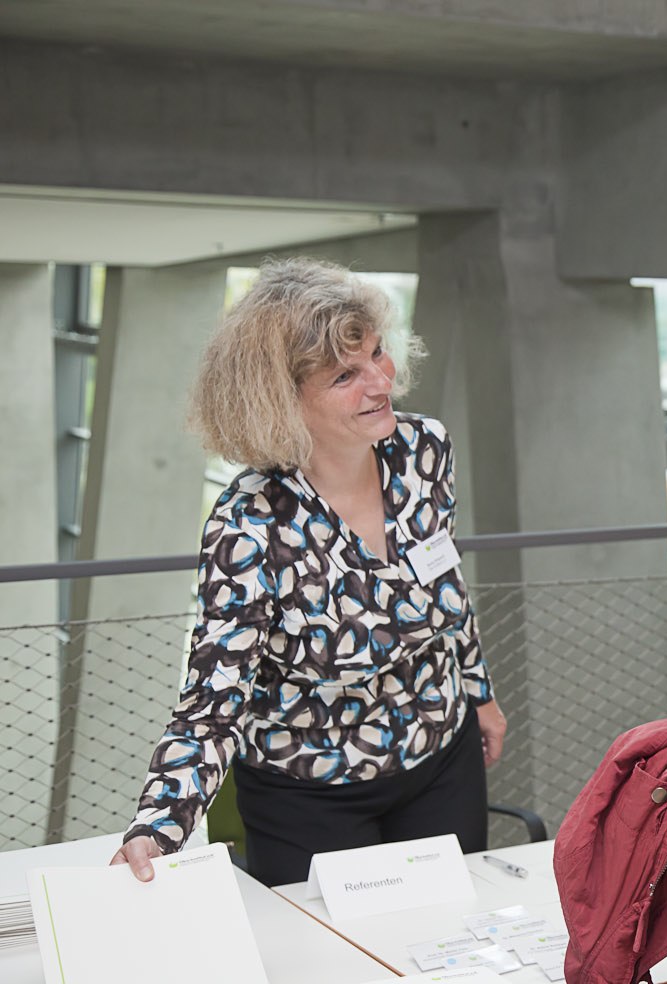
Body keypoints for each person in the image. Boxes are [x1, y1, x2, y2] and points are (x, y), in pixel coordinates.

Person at [110, 258, 507, 886]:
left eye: (378, 353)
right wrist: (160, 824)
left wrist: (478, 692)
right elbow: (215, 696)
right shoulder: (250, 523)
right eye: (345, 375)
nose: (380, 382)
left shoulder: (423, 450)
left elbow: (444, 583)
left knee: (443, 947)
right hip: (309, 792)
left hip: (439, 752)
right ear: (280, 400)